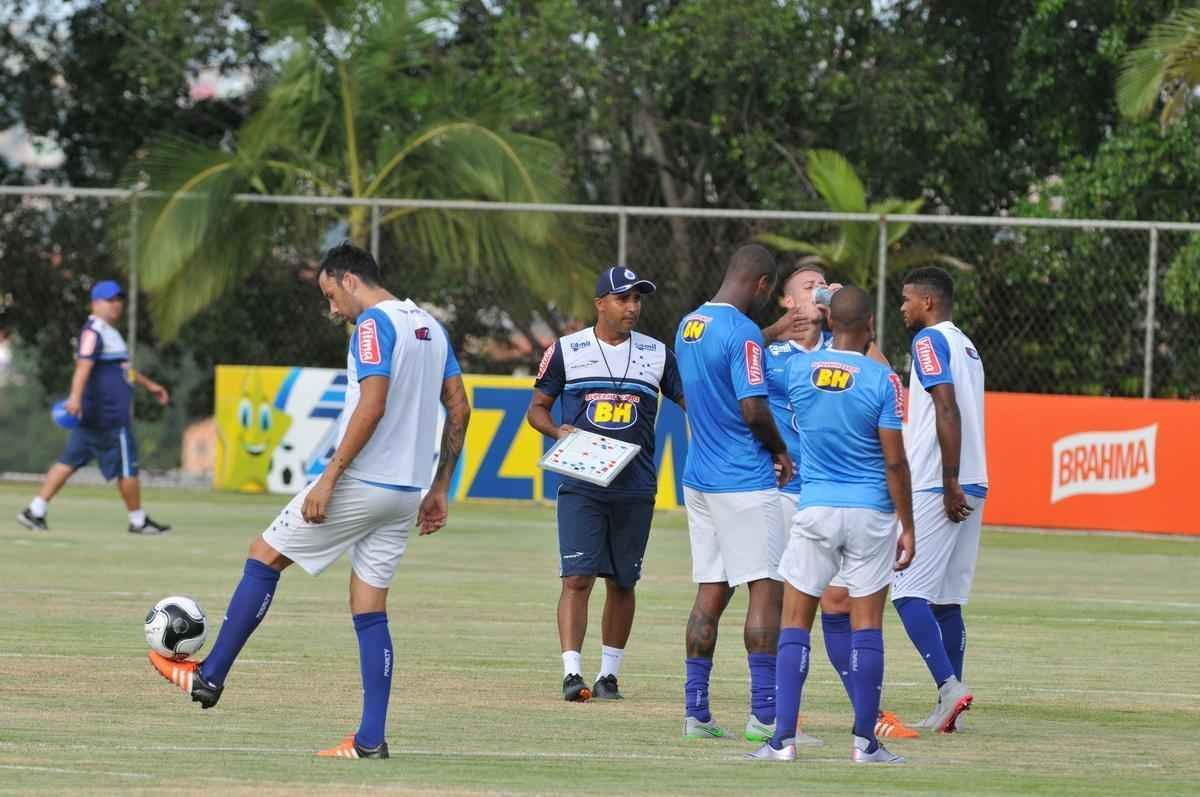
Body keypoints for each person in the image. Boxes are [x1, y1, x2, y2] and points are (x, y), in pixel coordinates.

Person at [147, 243, 471, 760]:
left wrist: (329, 479)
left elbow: (373, 403)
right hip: (405, 493)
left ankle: (209, 676)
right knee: (369, 608)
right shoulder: (431, 327)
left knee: (264, 555)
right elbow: (459, 407)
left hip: (362, 481)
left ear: (349, 279)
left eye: (330, 295)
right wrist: (439, 487)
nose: (332, 309)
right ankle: (370, 740)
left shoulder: (373, 325)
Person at [748, 285, 915, 764]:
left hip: (816, 506)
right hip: (871, 512)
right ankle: (865, 743)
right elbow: (895, 461)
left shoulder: (798, 370)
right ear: (870, 326)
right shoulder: (883, 380)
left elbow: (750, 356)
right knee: (867, 626)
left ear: (828, 321)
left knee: (795, 622)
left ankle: (782, 741)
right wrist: (908, 525)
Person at [527, 266, 686, 702]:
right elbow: (537, 408)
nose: (632, 307)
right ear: (600, 304)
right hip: (582, 481)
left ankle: (608, 676)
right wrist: (557, 430)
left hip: (636, 484)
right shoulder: (566, 350)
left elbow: (691, 401)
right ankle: (571, 674)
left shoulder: (658, 354)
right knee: (577, 578)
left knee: (623, 582)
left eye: (637, 299)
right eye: (623, 298)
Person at [674, 243, 793, 742]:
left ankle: (696, 713)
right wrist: (780, 451)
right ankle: (764, 714)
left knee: (710, 591)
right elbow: (753, 409)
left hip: (699, 476)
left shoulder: (688, 325)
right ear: (762, 285)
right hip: (743, 477)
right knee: (766, 590)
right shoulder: (742, 332)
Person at [892, 266, 987, 733]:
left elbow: (945, 407)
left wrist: (948, 480)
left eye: (906, 299)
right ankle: (951, 707)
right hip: (974, 480)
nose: (903, 307)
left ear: (927, 301)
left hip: (939, 483)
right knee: (947, 600)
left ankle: (950, 688)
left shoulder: (928, 341)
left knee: (906, 592)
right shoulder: (967, 345)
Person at [16, 280, 171, 534]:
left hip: (95, 417)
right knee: (127, 468)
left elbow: (123, 369)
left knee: (68, 462)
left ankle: (34, 511)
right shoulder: (93, 332)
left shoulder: (110, 332)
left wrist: (150, 385)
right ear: (95, 304)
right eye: (109, 300)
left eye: (118, 300)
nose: (115, 305)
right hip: (108, 416)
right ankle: (138, 521)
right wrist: (75, 398)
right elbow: (83, 367)